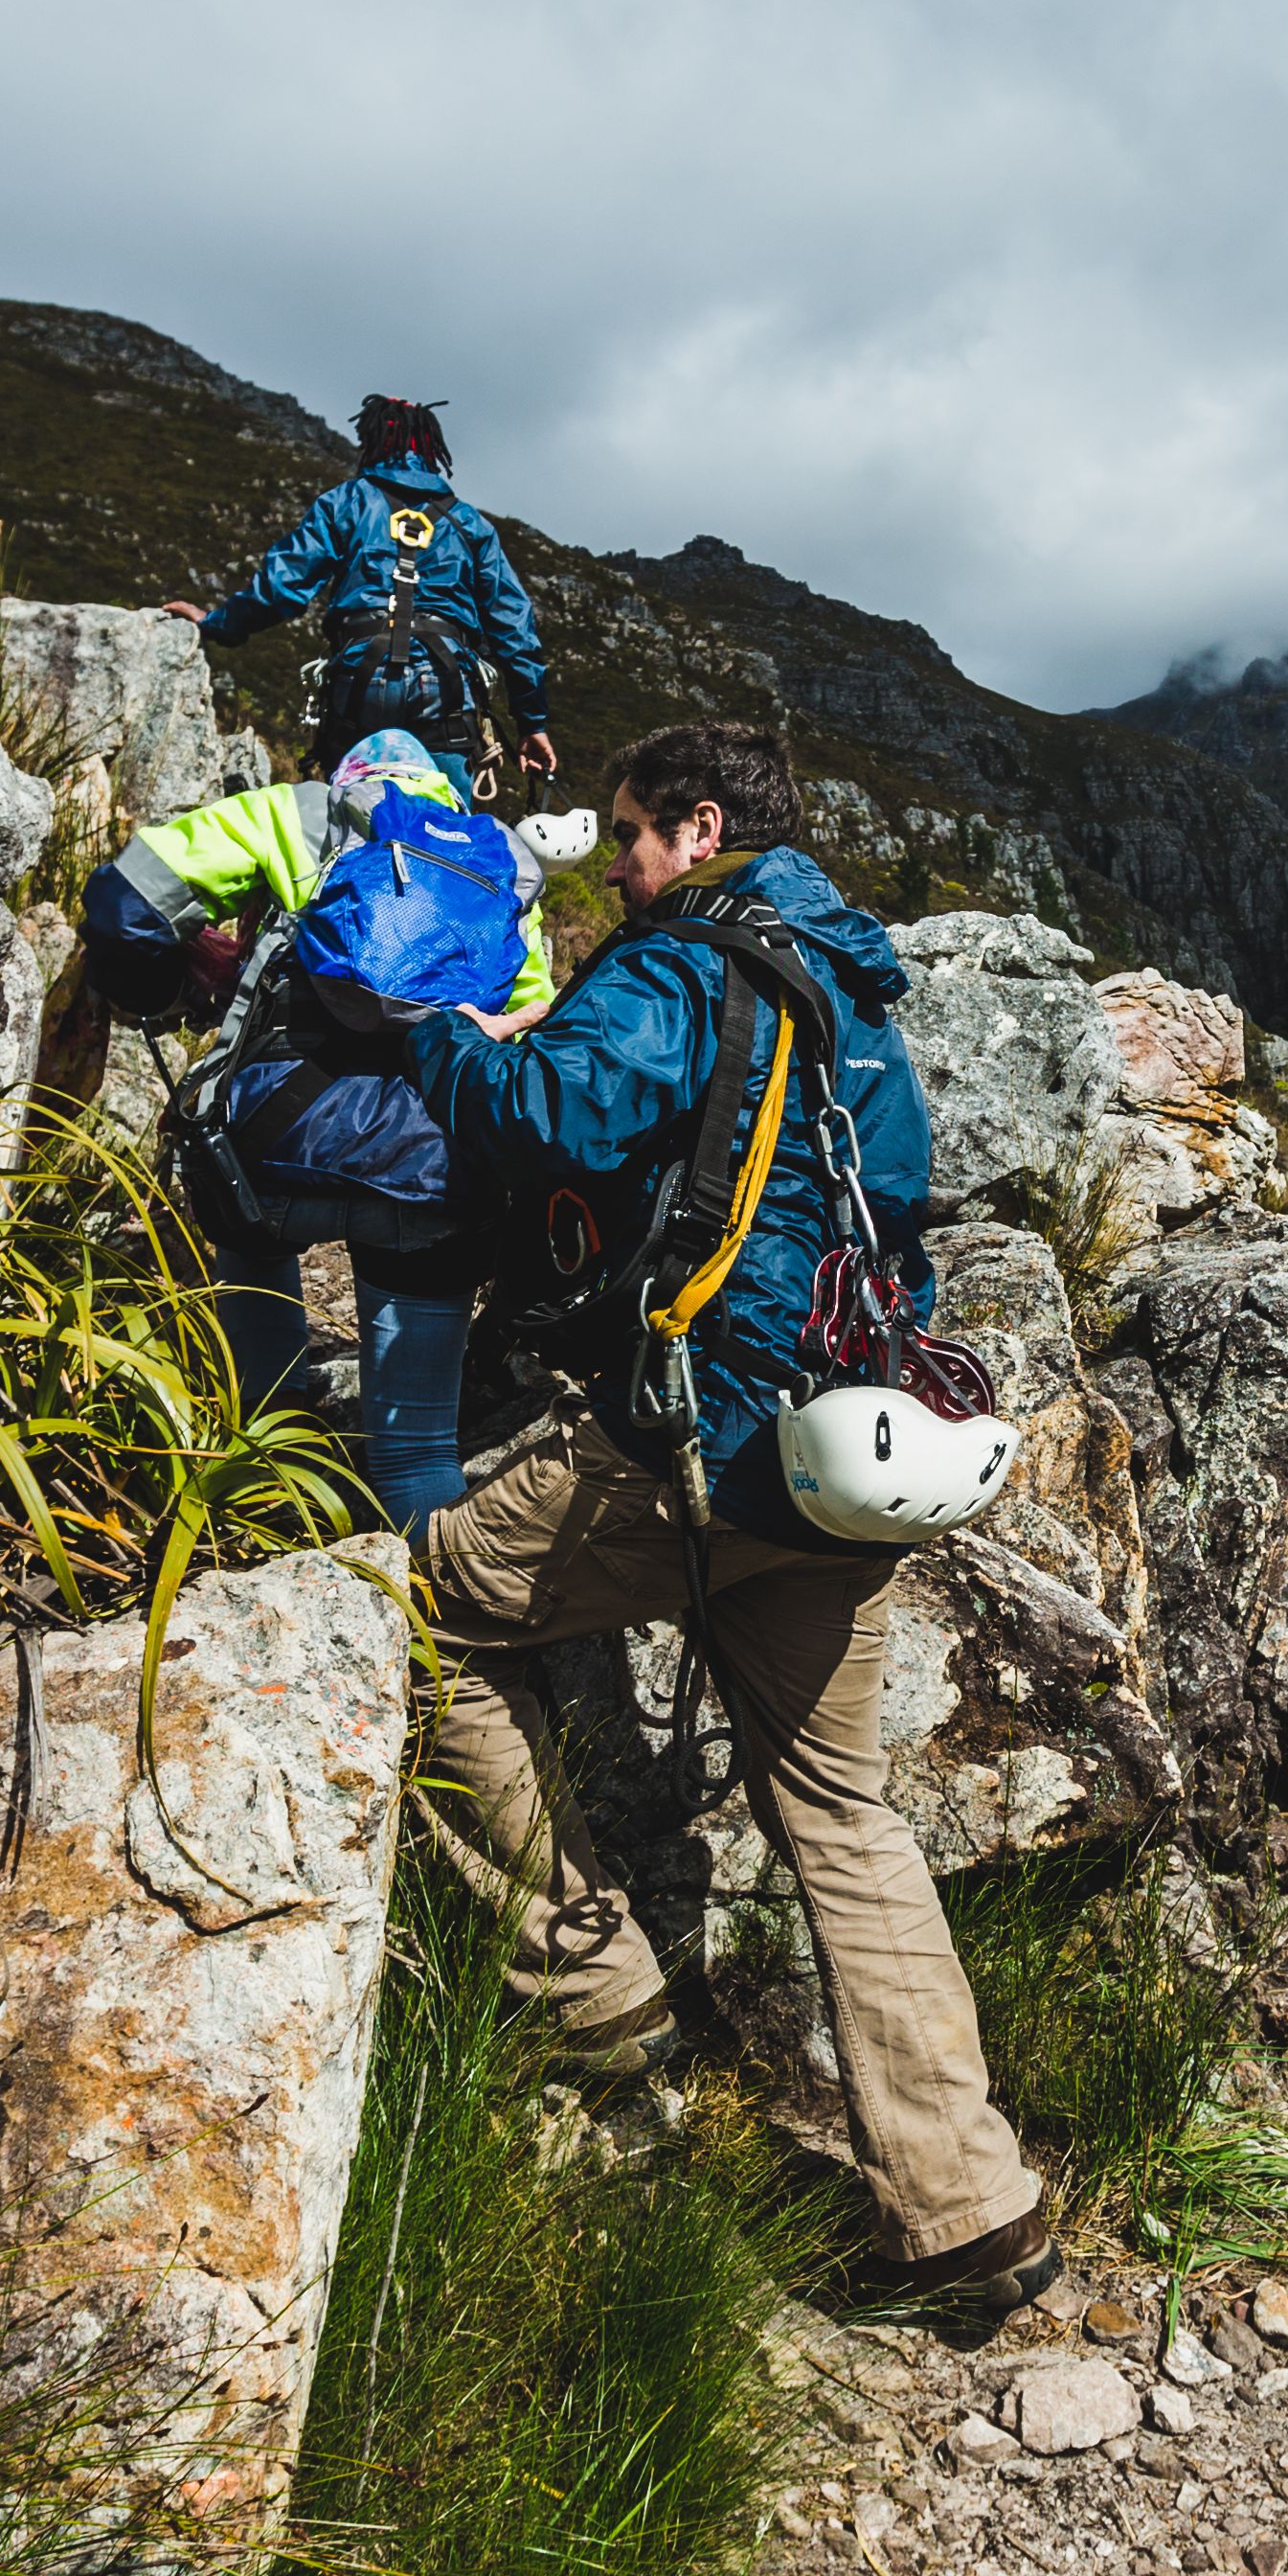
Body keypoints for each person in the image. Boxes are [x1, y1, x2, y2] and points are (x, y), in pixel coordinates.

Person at [394, 718, 1055, 2315]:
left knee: (420, 1610)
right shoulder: (861, 1004)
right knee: (840, 1808)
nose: (615, 864)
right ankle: (969, 2202)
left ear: (694, 829)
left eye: (630, 834)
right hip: (842, 1469)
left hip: (699, 1449)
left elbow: (544, 1110)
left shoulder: (685, 962)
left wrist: (440, 1023)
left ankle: (598, 1987)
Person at [94, 727, 556, 1521]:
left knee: (262, 1401)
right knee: (415, 1457)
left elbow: (122, 903)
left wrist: (175, 993)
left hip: (270, 1147)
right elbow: (536, 1023)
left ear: (351, 774)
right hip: (433, 1170)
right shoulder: (504, 863)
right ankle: (435, 1626)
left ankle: (257, 1517)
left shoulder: (303, 813)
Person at [169, 394, 556, 796]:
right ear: (429, 449)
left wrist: (219, 625)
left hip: (359, 680)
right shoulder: (469, 524)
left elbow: (282, 584)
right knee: (446, 823)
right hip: (444, 688)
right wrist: (532, 723)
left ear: (372, 442)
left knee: (351, 811)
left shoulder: (345, 503)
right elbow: (515, 630)